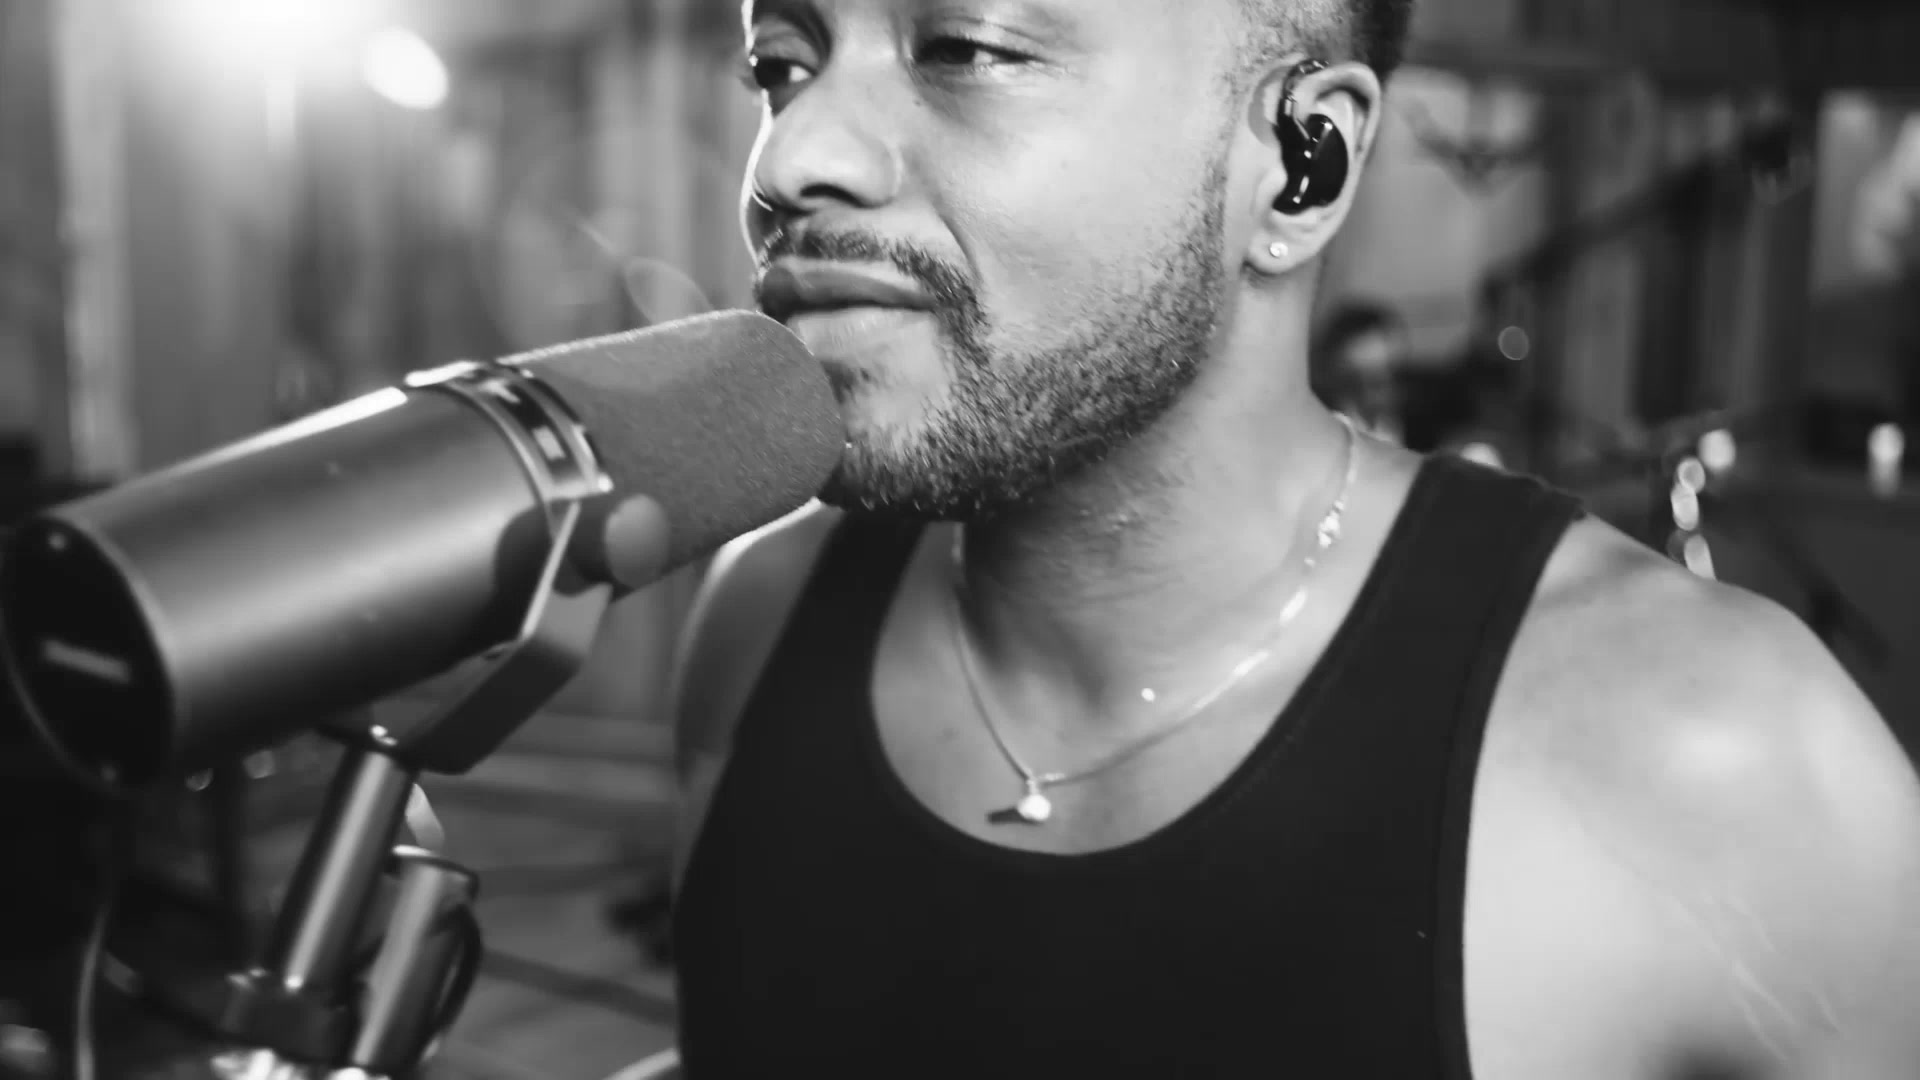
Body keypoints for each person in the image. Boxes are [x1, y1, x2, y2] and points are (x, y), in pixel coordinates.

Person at [662, 0, 1920, 1076]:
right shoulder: (758, 617)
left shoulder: (1724, 759)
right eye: (781, 64)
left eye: (966, 49)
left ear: (1297, 160)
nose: (790, 157)